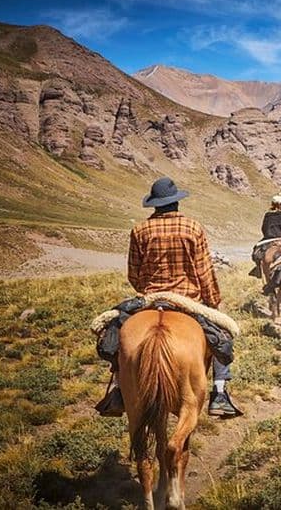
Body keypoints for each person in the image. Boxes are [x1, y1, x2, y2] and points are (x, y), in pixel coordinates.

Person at [97, 177, 242, 418]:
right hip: (187, 300)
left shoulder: (140, 230)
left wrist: (150, 291)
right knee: (221, 337)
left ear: (155, 204)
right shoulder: (193, 228)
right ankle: (219, 394)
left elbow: (134, 274)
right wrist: (214, 301)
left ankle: (119, 388)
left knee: (115, 337)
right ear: (176, 203)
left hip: (151, 299)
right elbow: (205, 271)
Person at [249, 196, 281, 278]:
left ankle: (258, 269)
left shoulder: (268, 215)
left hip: (269, 238)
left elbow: (264, 228)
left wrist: (268, 234)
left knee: (256, 253)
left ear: (272, 204)